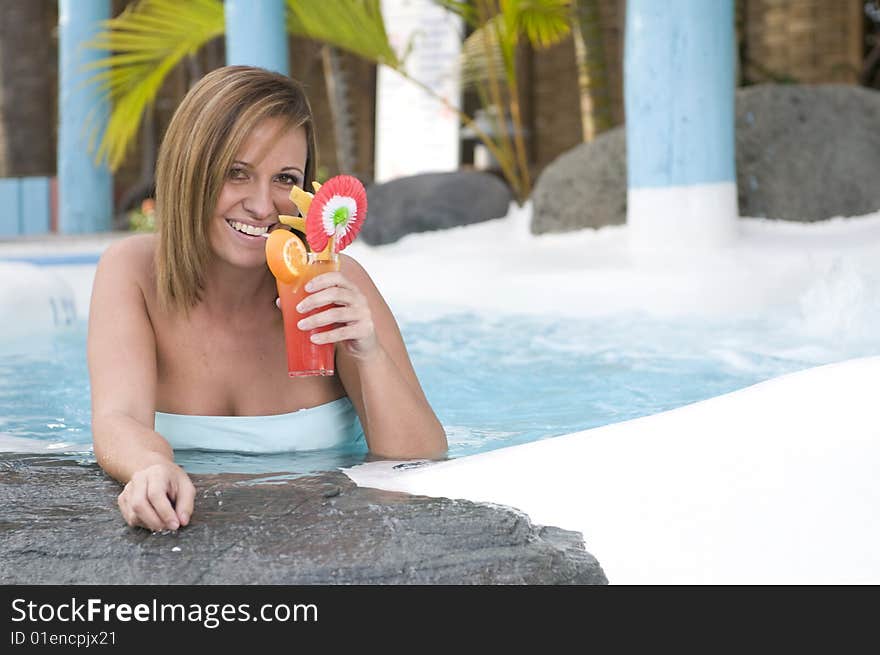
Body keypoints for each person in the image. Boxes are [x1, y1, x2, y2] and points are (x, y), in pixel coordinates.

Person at [87, 66, 448, 532]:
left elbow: (421, 460)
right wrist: (148, 467)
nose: (262, 205)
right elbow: (117, 417)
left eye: (284, 178)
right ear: (190, 171)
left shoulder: (333, 279)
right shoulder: (133, 271)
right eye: (237, 173)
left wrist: (368, 353)